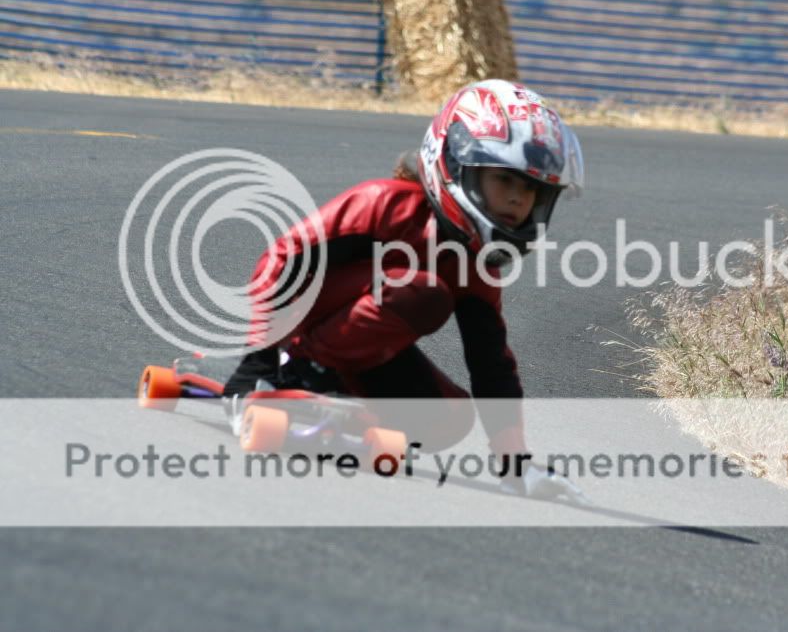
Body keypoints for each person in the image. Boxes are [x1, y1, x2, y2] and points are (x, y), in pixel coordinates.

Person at [223, 79, 585, 500]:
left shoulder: (478, 263)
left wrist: (515, 464)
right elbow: (280, 262)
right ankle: (302, 371)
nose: (518, 201)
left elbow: (491, 364)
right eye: (506, 179)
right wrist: (257, 361)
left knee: (451, 417)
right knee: (421, 292)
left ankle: (341, 400)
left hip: (361, 352)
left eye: (532, 190)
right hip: (297, 332)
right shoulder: (384, 203)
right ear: (456, 162)